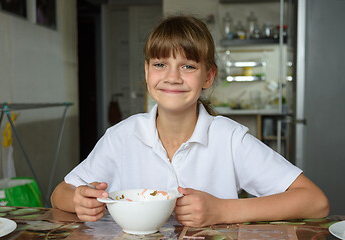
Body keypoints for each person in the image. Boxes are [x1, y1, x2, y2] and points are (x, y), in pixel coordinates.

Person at [51, 15, 329, 227]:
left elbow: (315, 202)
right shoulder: (121, 136)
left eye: (188, 66)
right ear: (147, 71)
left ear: (208, 76)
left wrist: (223, 210)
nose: (172, 77)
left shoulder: (229, 138)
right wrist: (78, 200)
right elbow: (60, 193)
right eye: (160, 64)